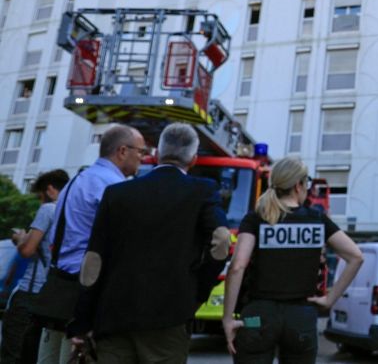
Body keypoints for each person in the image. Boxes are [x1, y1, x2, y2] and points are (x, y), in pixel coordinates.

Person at [67, 123, 231, 361]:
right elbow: (222, 241)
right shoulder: (202, 191)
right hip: (168, 318)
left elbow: (93, 261)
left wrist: (82, 321)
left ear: (155, 154)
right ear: (193, 159)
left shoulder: (116, 193)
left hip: (114, 316)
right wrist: (197, 293)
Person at [223, 157, 364, 363]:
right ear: (298, 185)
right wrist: (330, 299)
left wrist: (227, 320)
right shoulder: (316, 220)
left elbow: (237, 266)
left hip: (256, 318)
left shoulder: (256, 218)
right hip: (302, 318)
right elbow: (356, 257)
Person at [31, 125, 143, 364]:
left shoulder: (75, 182)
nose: (142, 158)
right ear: (123, 151)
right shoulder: (114, 187)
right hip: (85, 294)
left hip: (59, 290)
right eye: (140, 152)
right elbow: (118, 245)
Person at [1, 170, 68, 364]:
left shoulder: (49, 209)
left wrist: (20, 239)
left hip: (30, 293)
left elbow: (27, 250)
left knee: (13, 352)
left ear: (49, 189)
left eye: (40, 197)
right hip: (53, 297)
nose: (41, 202)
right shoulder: (75, 211)